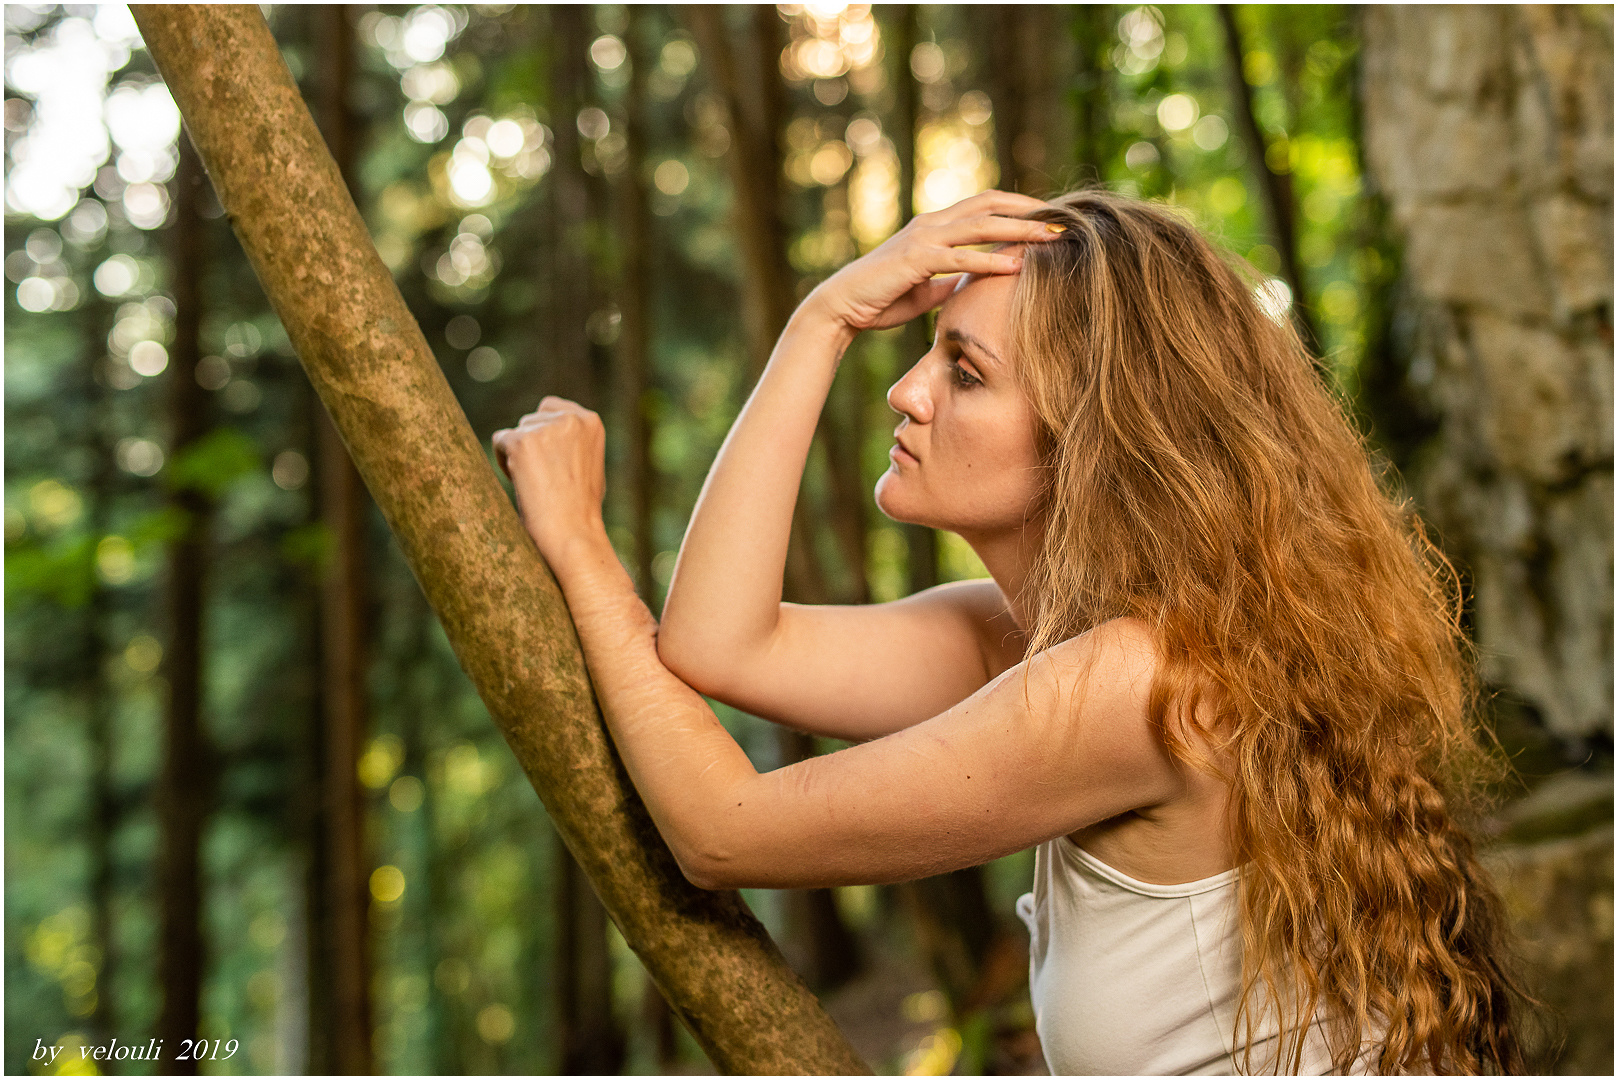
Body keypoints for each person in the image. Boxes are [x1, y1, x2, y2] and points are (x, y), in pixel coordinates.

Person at [493, 189, 1526, 1074]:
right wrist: (821, 322)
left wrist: (581, 550)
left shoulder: (1140, 683)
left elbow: (720, 831)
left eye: (964, 372)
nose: (906, 392)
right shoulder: (1027, 641)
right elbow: (721, 648)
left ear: (1092, 445)